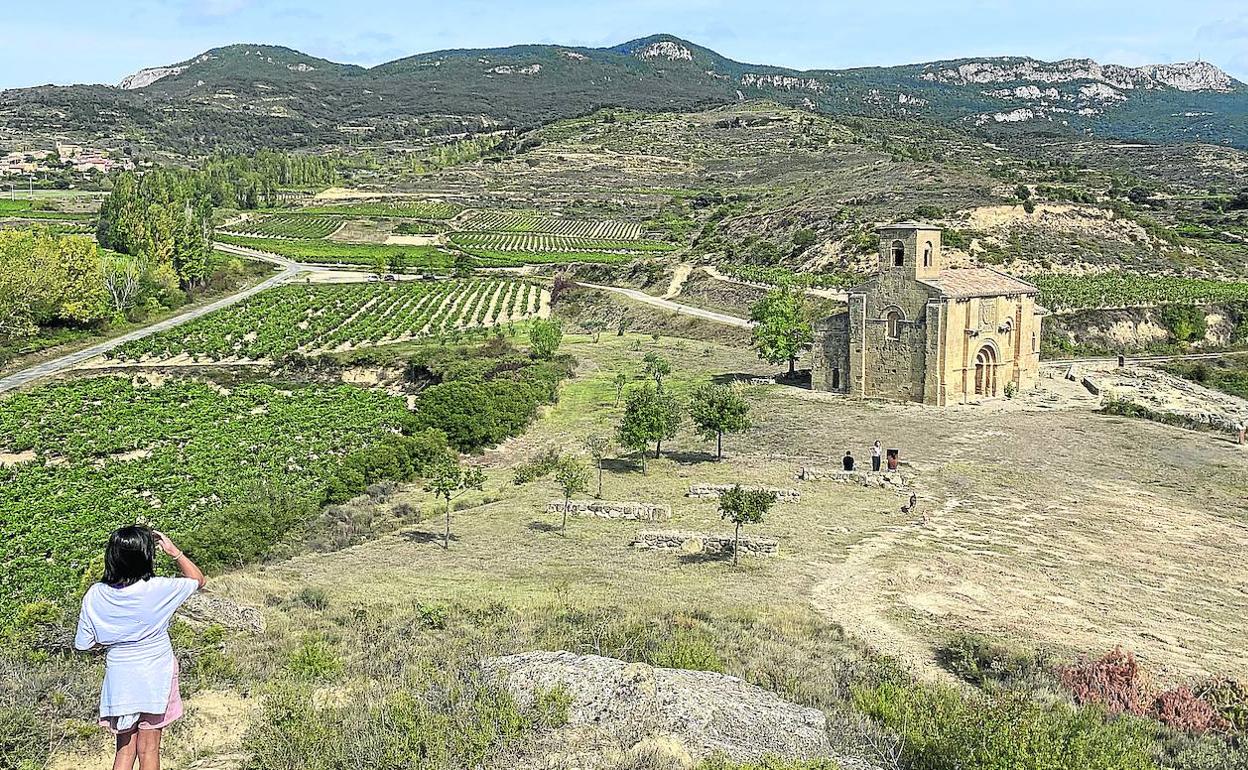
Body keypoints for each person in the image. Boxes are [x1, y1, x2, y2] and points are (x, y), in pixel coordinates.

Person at [75, 526, 206, 770]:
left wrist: (115, 637)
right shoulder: (159, 588)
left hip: (121, 676)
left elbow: (84, 643)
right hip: (157, 672)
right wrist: (174, 551)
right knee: (149, 750)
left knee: (124, 752)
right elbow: (197, 580)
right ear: (146, 556)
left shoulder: (95, 594)